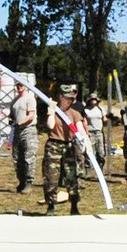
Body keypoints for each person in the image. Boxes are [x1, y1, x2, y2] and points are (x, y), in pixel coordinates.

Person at [43, 82, 87, 214]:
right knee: (51, 177)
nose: (70, 100)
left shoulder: (74, 113)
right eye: (68, 98)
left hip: (69, 146)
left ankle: (74, 206)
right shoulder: (54, 111)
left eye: (72, 98)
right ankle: (51, 205)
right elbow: (50, 126)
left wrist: (84, 140)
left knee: (72, 176)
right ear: (61, 97)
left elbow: (80, 128)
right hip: (54, 146)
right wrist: (51, 112)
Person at [9, 81, 40, 191]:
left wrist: (21, 122)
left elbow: (31, 115)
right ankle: (21, 181)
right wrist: (11, 120)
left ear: (26, 86)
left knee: (29, 157)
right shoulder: (14, 100)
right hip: (17, 131)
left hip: (28, 130)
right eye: (17, 85)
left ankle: (28, 182)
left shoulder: (30, 98)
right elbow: (12, 115)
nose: (19, 87)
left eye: (21, 85)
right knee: (17, 158)